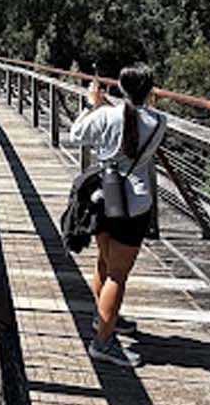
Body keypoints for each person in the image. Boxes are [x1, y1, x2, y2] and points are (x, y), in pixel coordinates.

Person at [69, 64, 166, 368]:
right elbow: (134, 121)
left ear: (121, 88)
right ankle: (103, 343)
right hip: (134, 204)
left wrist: (91, 105)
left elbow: (76, 134)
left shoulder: (104, 116)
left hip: (103, 198)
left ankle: (104, 320)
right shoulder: (159, 121)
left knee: (104, 262)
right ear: (150, 92)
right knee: (117, 275)